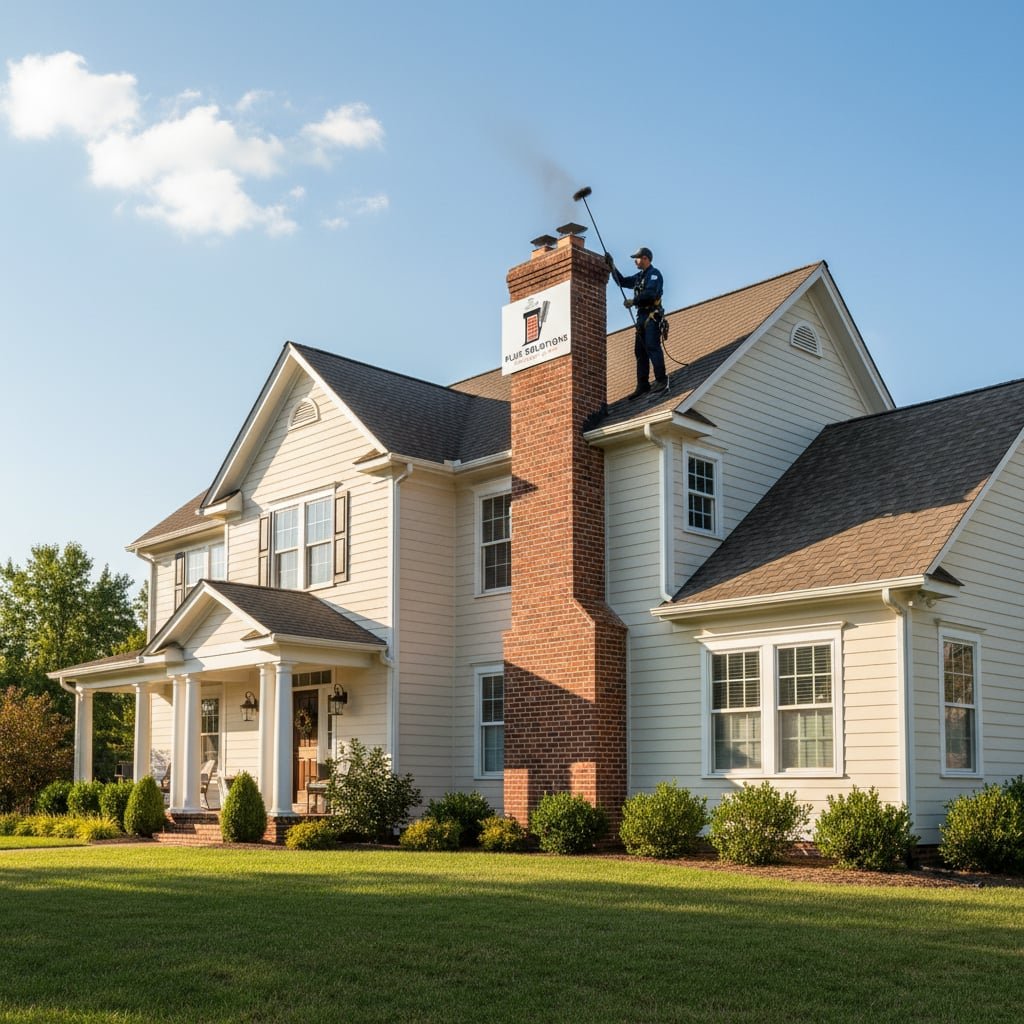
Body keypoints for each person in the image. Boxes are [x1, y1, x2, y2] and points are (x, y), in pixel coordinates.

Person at [605, 246, 668, 399]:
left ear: (645, 258)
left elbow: (650, 294)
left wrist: (634, 301)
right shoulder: (640, 277)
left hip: (652, 316)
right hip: (641, 318)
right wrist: (612, 267)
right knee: (640, 352)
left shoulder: (654, 274)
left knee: (652, 347)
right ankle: (643, 384)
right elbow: (622, 282)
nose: (635, 261)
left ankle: (661, 380)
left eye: (637, 258)